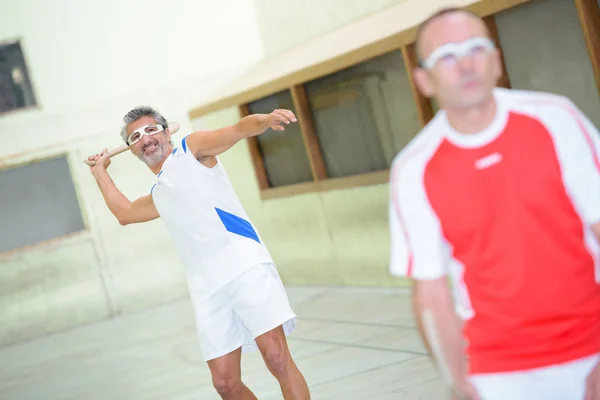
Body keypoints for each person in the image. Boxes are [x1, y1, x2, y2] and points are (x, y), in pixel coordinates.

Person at [388, 7, 600, 400]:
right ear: (424, 80)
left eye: (476, 48)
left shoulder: (557, 120)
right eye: (447, 56)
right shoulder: (413, 169)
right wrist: (457, 383)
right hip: (498, 369)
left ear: (496, 61)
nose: (466, 63)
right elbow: (431, 294)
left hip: (592, 347)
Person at [88, 106, 310, 400]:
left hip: (245, 267)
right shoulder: (160, 193)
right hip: (207, 289)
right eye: (136, 136)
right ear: (132, 150)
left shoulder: (191, 150)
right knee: (225, 385)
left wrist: (266, 121)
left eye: (152, 129)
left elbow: (237, 130)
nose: (146, 138)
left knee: (278, 359)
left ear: (167, 132)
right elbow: (125, 213)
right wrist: (99, 171)